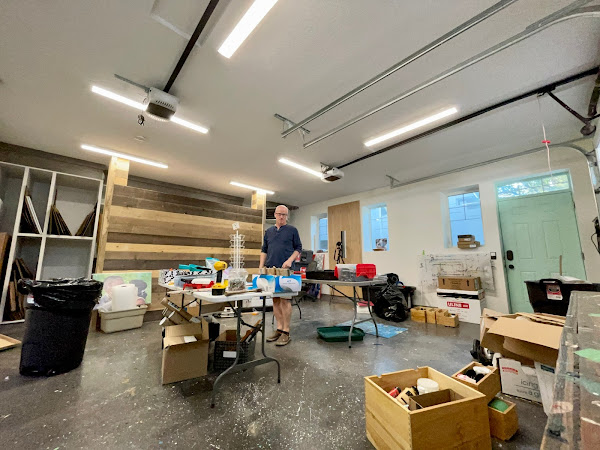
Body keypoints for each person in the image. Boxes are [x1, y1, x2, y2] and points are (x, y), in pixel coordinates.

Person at [259, 204, 302, 346]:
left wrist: (290, 260)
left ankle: (286, 331)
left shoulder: (292, 230)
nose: (281, 217)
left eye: (284, 214)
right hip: (271, 270)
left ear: (287, 216)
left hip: (286, 271)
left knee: (285, 300)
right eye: (279, 214)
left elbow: (298, 248)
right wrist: (261, 266)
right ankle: (279, 328)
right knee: (275, 300)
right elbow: (264, 250)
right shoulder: (269, 231)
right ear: (275, 215)